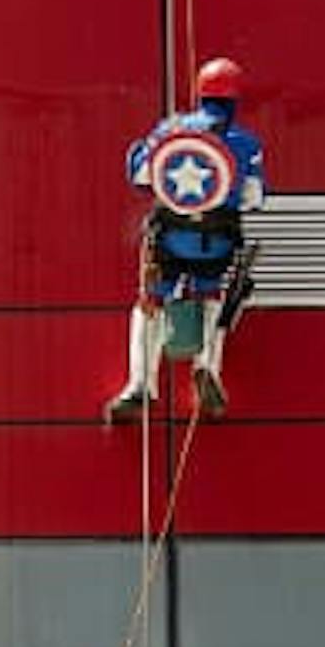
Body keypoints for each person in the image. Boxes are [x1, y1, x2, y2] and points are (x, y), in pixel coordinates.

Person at [106, 57, 265, 420]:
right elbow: (254, 199)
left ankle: (139, 386)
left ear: (200, 92)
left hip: (171, 240)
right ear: (235, 98)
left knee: (150, 301)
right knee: (214, 297)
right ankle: (206, 367)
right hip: (218, 244)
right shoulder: (247, 144)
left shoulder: (170, 132)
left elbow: (143, 176)